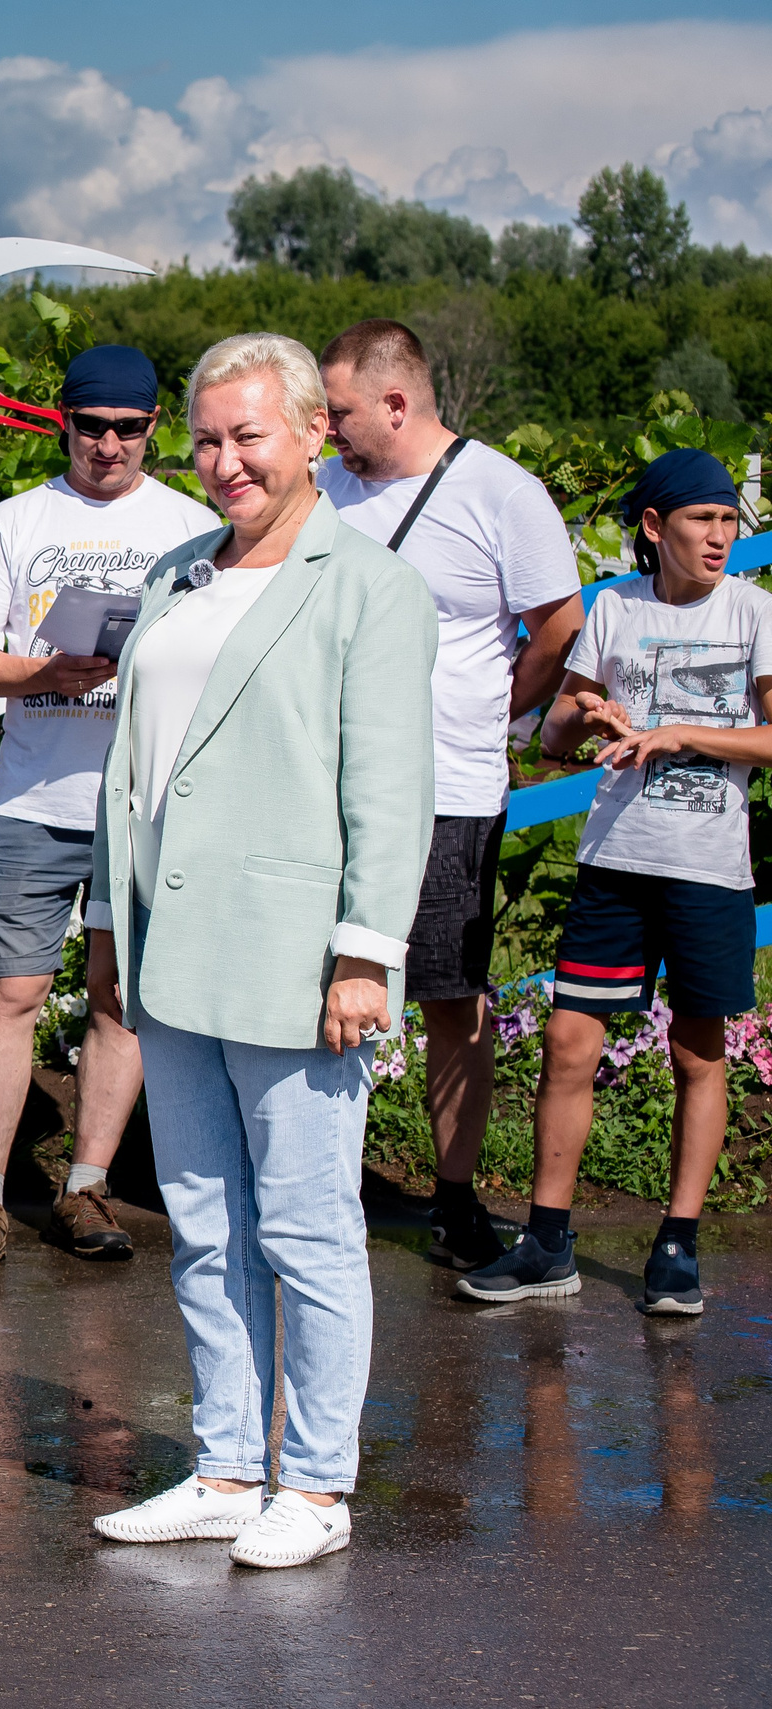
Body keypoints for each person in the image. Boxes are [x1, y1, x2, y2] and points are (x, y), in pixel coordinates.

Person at [84, 333, 433, 1569]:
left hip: (296, 959)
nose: (225, 460)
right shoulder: (179, 570)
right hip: (168, 947)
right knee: (201, 1219)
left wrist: (362, 953)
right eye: (209, 438)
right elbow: (127, 769)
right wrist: (104, 924)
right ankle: (229, 1463)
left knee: (306, 1225)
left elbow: (391, 792)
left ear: (310, 436)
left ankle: (320, 1484)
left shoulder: (369, 587)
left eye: (251, 435)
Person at [455, 449, 770, 1316]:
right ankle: (548, 1239)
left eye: (728, 520)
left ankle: (678, 1242)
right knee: (567, 1043)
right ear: (654, 526)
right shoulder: (615, 612)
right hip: (613, 863)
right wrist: (580, 711)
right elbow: (555, 736)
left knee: (696, 1053)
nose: (721, 535)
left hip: (707, 869)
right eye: (702, 519)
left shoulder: (754, 612)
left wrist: (677, 735)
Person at [0, 345, 218, 1275]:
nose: (108, 445)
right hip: (35, 795)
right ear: (63, 421)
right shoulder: (15, 522)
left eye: (128, 429)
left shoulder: (191, 528)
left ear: (153, 430)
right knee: (11, 992)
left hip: (143, 803)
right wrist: (39, 672)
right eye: (90, 426)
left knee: (120, 999)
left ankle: (85, 1184)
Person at [318, 320, 584, 1270]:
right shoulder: (326, 487)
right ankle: (319, 1186)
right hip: (326, 778)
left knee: (446, 994)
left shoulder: (502, 492)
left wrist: (495, 713)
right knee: (320, 978)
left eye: (340, 412)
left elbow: (558, 622)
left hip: (448, 785)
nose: (328, 429)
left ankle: (456, 1196)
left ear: (398, 403)